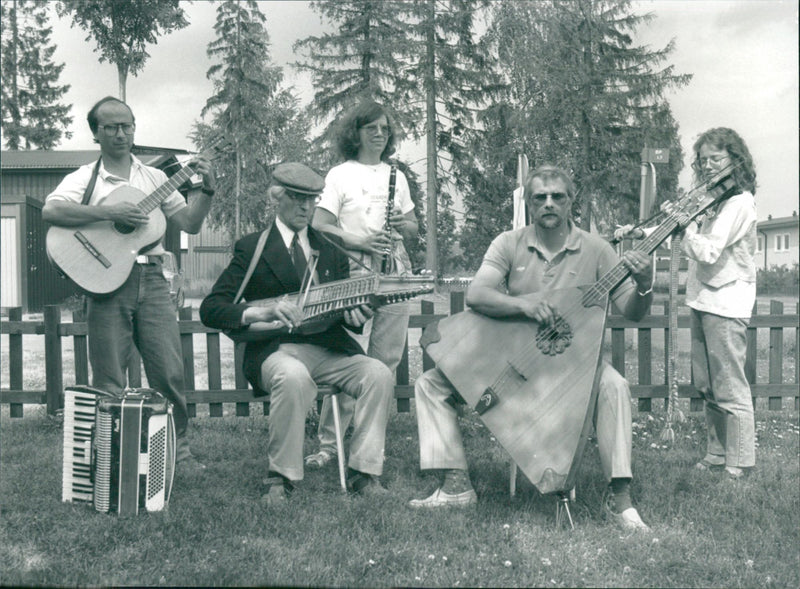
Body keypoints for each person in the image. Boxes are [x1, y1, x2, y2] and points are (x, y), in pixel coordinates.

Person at [409, 165, 654, 532]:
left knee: (614, 385)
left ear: (571, 200)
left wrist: (646, 284)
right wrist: (524, 305)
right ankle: (456, 485)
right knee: (430, 383)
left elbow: (632, 312)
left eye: (558, 196)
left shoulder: (598, 250)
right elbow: (477, 294)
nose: (549, 203)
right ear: (529, 203)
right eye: (540, 197)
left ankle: (619, 498)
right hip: (518, 359)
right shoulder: (509, 243)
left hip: (575, 365)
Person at [199, 162, 394, 503]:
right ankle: (281, 477)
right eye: (297, 198)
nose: (306, 207)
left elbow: (347, 318)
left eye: (313, 200)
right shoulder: (252, 247)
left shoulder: (331, 248)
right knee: (293, 376)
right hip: (276, 350)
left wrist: (356, 314)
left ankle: (365, 473)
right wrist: (262, 311)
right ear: (277, 198)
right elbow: (211, 309)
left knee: (377, 373)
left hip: (328, 348)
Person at [43, 96, 215, 472]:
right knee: (108, 375)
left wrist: (207, 191)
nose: (121, 133)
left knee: (168, 370)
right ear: (96, 133)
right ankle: (110, 457)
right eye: (111, 127)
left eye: (127, 125)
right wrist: (108, 212)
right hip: (106, 282)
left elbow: (189, 224)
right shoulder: (85, 178)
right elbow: (51, 210)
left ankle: (178, 454)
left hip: (153, 278)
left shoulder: (155, 178)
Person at [621, 128, 758, 479]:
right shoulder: (711, 201)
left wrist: (685, 228)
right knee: (707, 386)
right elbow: (677, 232)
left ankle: (738, 463)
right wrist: (636, 231)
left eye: (717, 158)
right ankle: (716, 453)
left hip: (727, 304)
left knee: (730, 387)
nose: (709, 166)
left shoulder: (739, 203)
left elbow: (708, 251)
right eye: (704, 160)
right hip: (703, 300)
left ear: (735, 160)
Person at [304, 101, 418, 469]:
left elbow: (414, 227)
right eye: (372, 127)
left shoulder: (396, 176)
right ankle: (329, 445)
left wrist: (403, 225)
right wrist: (361, 242)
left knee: (385, 360)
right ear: (356, 133)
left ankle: (370, 444)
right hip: (353, 268)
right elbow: (320, 225)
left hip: (394, 267)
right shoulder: (340, 174)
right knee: (349, 358)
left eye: (385, 128)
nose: (380, 134)